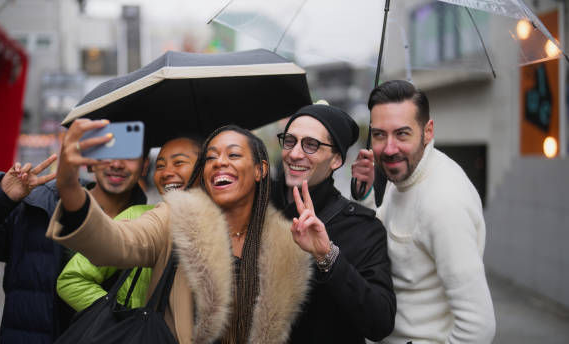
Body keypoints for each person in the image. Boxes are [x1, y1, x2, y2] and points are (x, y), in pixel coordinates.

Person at [46, 120, 316, 343]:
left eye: (233, 154)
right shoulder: (174, 217)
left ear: (260, 170)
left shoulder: (287, 242)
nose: (220, 162)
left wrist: (325, 254)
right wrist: (70, 190)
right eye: (211, 157)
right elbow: (117, 242)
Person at [0, 139, 148, 343]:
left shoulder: (153, 226)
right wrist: (0, 197)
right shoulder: (39, 206)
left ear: (145, 165)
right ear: (90, 161)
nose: (117, 164)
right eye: (108, 153)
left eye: (129, 155)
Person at [352, 80, 496, 343]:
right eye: (379, 134)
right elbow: (385, 238)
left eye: (402, 134)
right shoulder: (405, 176)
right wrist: (366, 194)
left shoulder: (444, 201)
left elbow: (479, 326)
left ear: (428, 131)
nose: (389, 148)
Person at [270, 103, 396, 343]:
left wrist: (328, 256)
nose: (295, 153)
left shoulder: (362, 228)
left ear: (336, 160)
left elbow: (380, 322)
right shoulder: (256, 205)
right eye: (290, 140)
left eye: (311, 145)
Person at [57, 136, 201, 312]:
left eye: (178, 163)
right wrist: (120, 320)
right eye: (160, 166)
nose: (166, 173)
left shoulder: (233, 223)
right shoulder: (138, 216)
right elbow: (72, 279)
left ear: (204, 168)